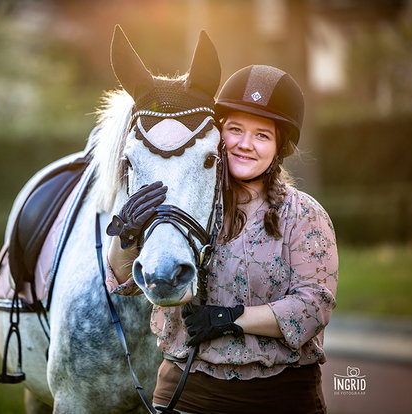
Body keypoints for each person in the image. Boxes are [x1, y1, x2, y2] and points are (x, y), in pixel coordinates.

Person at [106, 65, 338, 414]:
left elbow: (313, 307)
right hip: (188, 394)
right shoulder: (185, 205)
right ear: (217, 135)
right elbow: (126, 282)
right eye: (235, 130)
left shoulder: (304, 214)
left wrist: (229, 318)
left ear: (279, 146)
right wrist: (125, 235)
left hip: (284, 399)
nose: (245, 144)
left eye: (262, 135)